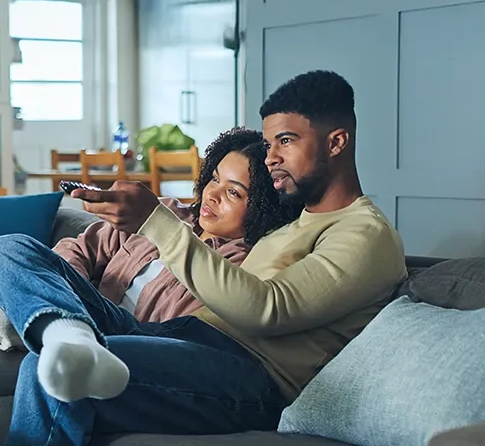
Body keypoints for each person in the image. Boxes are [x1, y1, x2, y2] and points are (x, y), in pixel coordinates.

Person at [0, 70, 407, 446]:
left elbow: (269, 309)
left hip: (249, 376)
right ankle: (69, 334)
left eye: (286, 141)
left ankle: (71, 346)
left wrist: (155, 221)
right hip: (180, 337)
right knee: (10, 249)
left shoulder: (365, 234)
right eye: (269, 144)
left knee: (45, 371)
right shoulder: (292, 222)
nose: (271, 157)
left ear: (336, 142)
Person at [52, 127, 302, 323]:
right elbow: (76, 250)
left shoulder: (235, 265)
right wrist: (71, 293)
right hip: (78, 308)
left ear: (263, 209)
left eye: (233, 192)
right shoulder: (164, 210)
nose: (212, 195)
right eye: (215, 179)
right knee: (26, 250)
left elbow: (176, 330)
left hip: (124, 339)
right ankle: (62, 325)